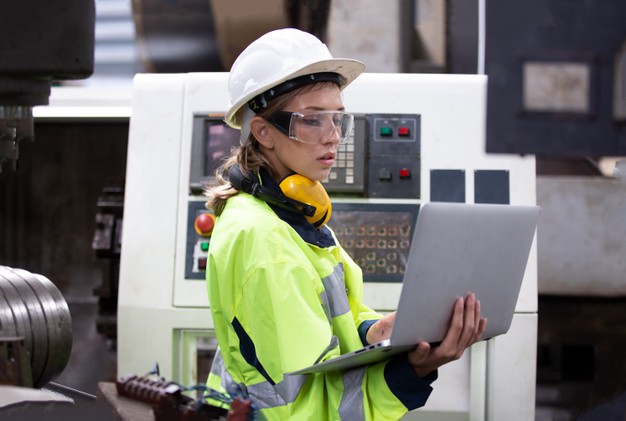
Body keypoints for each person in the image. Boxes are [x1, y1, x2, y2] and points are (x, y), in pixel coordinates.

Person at [203, 28, 487, 420]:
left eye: (337, 118)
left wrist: (378, 330)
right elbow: (312, 410)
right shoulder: (265, 242)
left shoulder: (290, 212)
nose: (334, 137)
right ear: (263, 131)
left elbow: (333, 324)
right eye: (312, 121)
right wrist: (412, 372)